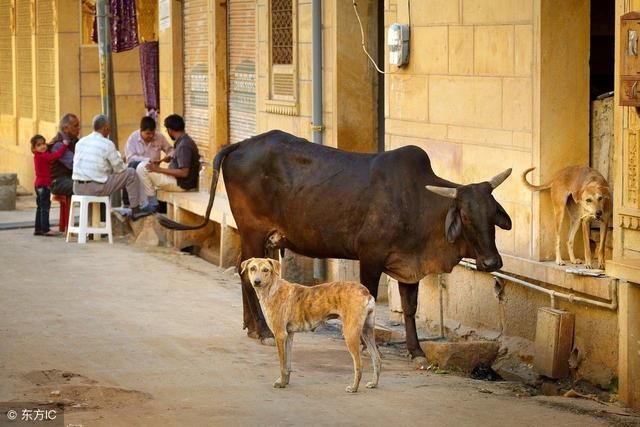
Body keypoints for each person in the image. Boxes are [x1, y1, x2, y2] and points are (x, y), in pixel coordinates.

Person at [72, 114, 151, 220]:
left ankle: (93, 227)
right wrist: (120, 161)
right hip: (96, 189)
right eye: (108, 128)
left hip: (77, 188)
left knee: (103, 178)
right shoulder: (107, 144)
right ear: (105, 128)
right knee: (131, 173)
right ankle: (135, 210)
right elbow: (120, 169)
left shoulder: (80, 142)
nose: (109, 131)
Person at [136, 114, 200, 210]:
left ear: (170, 130)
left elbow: (184, 173)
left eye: (167, 130)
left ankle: (152, 204)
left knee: (141, 169)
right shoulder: (184, 141)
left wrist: (159, 169)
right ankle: (152, 202)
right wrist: (163, 160)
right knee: (144, 166)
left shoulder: (184, 145)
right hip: (179, 181)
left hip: (181, 184)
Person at [123, 116, 174, 206]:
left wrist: (168, 156)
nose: (151, 136)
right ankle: (128, 203)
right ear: (141, 131)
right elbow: (130, 158)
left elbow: (171, 150)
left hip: (153, 171)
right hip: (137, 171)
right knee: (132, 166)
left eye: (153, 133)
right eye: (148, 133)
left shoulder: (159, 137)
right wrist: (148, 161)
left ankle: (153, 204)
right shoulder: (133, 138)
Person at [31, 134, 70, 236]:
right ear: (34, 148)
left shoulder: (37, 156)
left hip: (38, 185)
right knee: (45, 208)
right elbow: (55, 156)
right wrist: (64, 145)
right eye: (39, 145)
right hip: (44, 186)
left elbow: (48, 149)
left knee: (40, 207)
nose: (43, 146)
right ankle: (45, 229)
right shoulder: (43, 156)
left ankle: (38, 228)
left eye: (43, 143)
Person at [50, 113, 81, 196]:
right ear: (66, 129)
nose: (79, 128)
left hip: (69, 177)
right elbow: (75, 164)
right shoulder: (59, 145)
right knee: (84, 188)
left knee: (97, 185)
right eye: (75, 126)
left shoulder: (74, 140)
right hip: (58, 181)